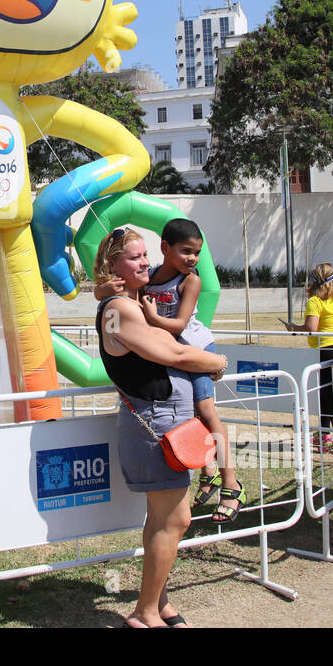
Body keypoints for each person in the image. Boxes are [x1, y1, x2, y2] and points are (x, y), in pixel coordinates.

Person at [93, 228, 228, 628]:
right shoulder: (120, 308)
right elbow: (172, 352)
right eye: (133, 257)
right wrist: (216, 362)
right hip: (155, 422)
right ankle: (146, 612)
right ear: (113, 265)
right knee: (176, 520)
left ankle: (159, 603)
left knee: (162, 520)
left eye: (144, 255)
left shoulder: (129, 302)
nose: (144, 262)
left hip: (164, 418)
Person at [99, 219, 243, 522]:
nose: (192, 259)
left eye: (197, 253)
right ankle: (208, 471)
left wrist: (152, 316)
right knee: (188, 415)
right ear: (165, 248)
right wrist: (101, 291)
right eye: (186, 251)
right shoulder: (147, 278)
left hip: (196, 349)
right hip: (171, 353)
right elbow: (111, 294)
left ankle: (230, 482)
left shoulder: (190, 281)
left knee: (205, 412)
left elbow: (179, 326)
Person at [281, 263, 333, 452]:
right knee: (327, 394)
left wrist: (293, 328)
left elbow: (311, 327)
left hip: (327, 348)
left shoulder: (314, 301)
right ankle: (324, 434)